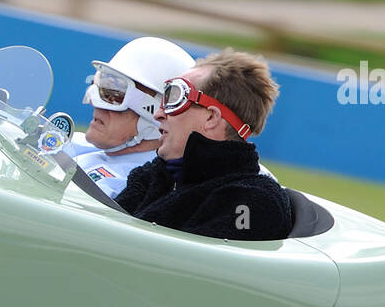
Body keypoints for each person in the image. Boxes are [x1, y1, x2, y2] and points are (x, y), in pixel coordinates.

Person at [114, 49, 294, 240]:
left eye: (175, 99)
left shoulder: (252, 201)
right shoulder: (152, 176)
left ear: (211, 118)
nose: (158, 113)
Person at [66, 37, 194, 199]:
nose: (94, 101)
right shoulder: (79, 144)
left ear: (155, 114)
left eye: (114, 92)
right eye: (101, 83)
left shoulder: (129, 186)